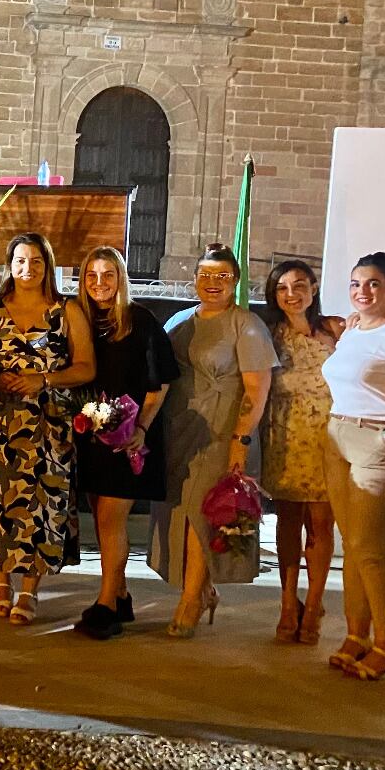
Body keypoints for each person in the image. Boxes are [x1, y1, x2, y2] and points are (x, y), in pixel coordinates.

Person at [0, 233, 95, 626]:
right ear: (9, 265)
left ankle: (29, 589)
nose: (28, 268)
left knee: (41, 505)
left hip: (47, 424)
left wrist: (45, 379)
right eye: (21, 261)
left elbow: (86, 366)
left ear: (48, 266)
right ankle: (1, 584)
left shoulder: (66, 310)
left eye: (36, 261)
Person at [150, 244, 276, 638]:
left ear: (235, 281)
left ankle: (190, 599)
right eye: (206, 274)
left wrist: (240, 441)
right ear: (195, 278)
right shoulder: (179, 321)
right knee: (177, 511)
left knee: (200, 513)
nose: (213, 283)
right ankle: (202, 589)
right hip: (180, 427)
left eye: (222, 276)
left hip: (222, 431)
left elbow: (258, 389)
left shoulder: (247, 325)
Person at [321, 252, 385, 682]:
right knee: (352, 548)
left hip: (380, 443)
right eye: (357, 283)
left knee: (369, 549)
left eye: (374, 284)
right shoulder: (352, 329)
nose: (364, 291)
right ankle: (357, 636)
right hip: (337, 439)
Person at [72, 247, 178, 639]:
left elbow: (160, 384)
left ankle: (105, 607)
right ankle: (121, 595)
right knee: (101, 516)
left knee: (109, 519)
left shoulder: (141, 321)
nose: (99, 283)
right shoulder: (80, 321)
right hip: (90, 436)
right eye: (92, 276)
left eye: (108, 275)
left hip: (129, 438)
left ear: (121, 279)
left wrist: (141, 429)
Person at [260, 259, 343, 645]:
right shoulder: (268, 334)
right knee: (287, 524)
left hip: (327, 438)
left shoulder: (335, 329)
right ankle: (286, 604)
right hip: (284, 437)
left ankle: (313, 604)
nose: (292, 294)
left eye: (299, 285)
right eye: (282, 288)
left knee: (321, 525)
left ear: (313, 287)